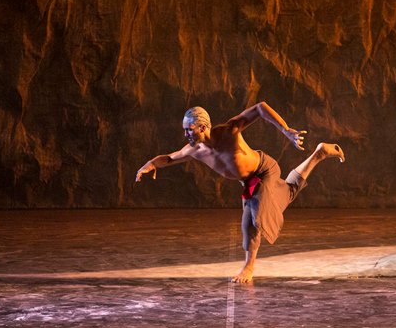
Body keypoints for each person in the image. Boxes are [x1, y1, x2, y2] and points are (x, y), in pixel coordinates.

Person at [135, 102, 345, 283]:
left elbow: (260, 108)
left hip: (265, 170)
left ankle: (249, 268)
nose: (185, 134)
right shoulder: (194, 150)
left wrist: (285, 130)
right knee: (272, 205)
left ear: (203, 127)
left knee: (255, 216)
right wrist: (150, 165)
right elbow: (170, 158)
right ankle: (320, 153)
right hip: (248, 182)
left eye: (189, 129)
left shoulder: (228, 131)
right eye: (185, 130)